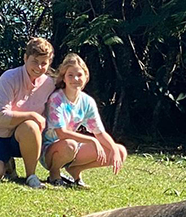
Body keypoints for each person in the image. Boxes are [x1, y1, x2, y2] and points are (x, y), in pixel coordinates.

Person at [0, 37, 56, 188]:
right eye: (35, 61)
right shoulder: (9, 78)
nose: (39, 67)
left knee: (31, 126)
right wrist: (31, 114)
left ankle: (31, 176)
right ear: (25, 58)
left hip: (26, 136)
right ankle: (6, 163)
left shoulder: (49, 84)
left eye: (44, 63)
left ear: (49, 63)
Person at [41, 53, 127, 187]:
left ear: (86, 77)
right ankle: (54, 174)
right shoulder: (56, 99)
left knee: (120, 151)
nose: (75, 79)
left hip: (74, 147)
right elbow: (61, 133)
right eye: (70, 75)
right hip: (51, 150)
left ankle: (75, 170)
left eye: (79, 75)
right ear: (63, 77)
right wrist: (91, 140)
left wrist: (114, 150)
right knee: (70, 144)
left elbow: (99, 132)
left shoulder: (87, 101)